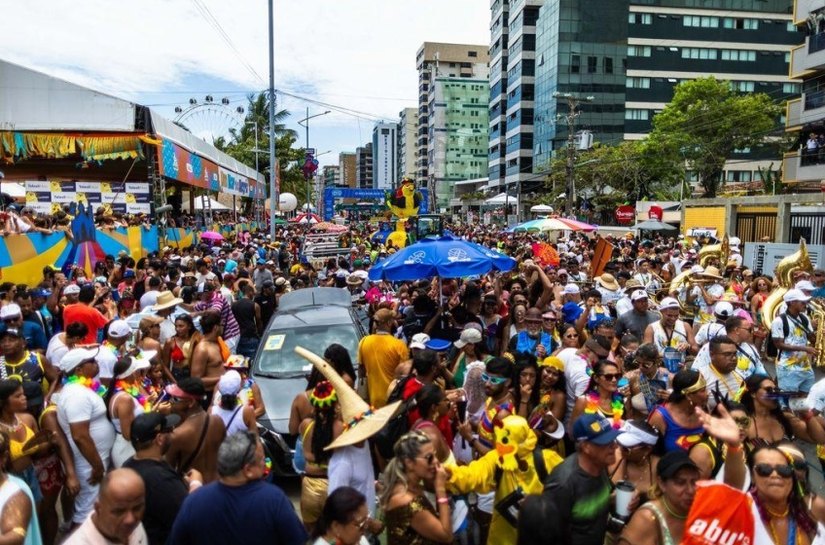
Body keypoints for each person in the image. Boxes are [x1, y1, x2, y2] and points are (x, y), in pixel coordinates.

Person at [167, 431, 308, 545]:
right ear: (248, 470)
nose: (265, 464)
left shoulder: (194, 502)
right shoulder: (274, 500)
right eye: (262, 460)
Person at [447, 415, 563, 545]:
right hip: (503, 538)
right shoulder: (496, 458)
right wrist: (448, 474)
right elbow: (471, 476)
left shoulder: (547, 460)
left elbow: (567, 493)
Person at [518, 413, 620, 545]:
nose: (615, 447)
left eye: (613, 441)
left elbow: (589, 507)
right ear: (586, 447)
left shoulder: (600, 466)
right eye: (606, 443)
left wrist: (613, 500)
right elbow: (549, 536)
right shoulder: (563, 484)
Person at [56, 347, 116, 528]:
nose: (96, 363)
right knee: (87, 514)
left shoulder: (81, 389)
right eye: (91, 361)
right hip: (89, 462)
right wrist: (96, 465)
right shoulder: (76, 395)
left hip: (94, 459)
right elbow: (80, 436)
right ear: (78, 370)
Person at [123, 412, 201, 545]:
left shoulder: (128, 465)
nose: (173, 433)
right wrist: (196, 483)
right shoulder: (160, 480)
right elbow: (191, 516)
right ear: (159, 439)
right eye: (169, 430)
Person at [380, 431, 453, 545]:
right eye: (429, 458)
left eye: (435, 455)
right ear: (409, 463)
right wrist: (440, 489)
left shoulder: (414, 486)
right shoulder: (404, 500)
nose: (436, 461)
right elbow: (446, 536)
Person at [298, 380, 342, 533]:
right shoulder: (340, 427)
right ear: (335, 404)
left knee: (311, 533)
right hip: (332, 484)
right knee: (334, 533)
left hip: (309, 484)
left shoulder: (305, 425)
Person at [165, 378, 226, 484]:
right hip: (218, 486)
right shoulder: (218, 421)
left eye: (175, 399)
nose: (170, 402)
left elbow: (167, 471)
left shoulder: (177, 435)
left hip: (192, 489)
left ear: (191, 402)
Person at [64, 468, 148, 545]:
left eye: (137, 508)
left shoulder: (132, 525)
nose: (130, 520)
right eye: (119, 511)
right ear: (98, 508)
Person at [358, 308, 409, 408]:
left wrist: (363, 395)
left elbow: (361, 371)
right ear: (389, 322)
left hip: (372, 402)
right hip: (393, 403)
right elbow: (404, 375)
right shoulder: (399, 345)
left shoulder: (364, 342)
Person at [107, 355, 153, 468]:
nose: (140, 373)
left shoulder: (127, 392)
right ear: (132, 373)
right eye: (138, 370)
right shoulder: (125, 399)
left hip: (130, 447)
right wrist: (156, 411)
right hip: (127, 449)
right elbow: (128, 434)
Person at [648, 370, 707, 453]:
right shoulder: (660, 417)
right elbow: (651, 453)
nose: (707, 394)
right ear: (689, 395)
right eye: (703, 390)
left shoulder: (703, 410)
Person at [772, 289, 817, 393]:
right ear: (792, 302)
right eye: (802, 302)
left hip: (805, 367)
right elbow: (779, 345)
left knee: (806, 399)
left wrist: (816, 334)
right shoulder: (779, 321)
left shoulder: (805, 318)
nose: (805, 304)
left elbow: (811, 338)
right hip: (788, 368)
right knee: (787, 400)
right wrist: (804, 348)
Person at [189, 311, 226, 402]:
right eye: (221, 325)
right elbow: (196, 380)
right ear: (215, 328)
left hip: (221, 392)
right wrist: (223, 378)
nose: (223, 327)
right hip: (209, 396)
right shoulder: (202, 349)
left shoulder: (217, 342)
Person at [161, 314, 200, 383]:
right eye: (176, 326)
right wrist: (175, 382)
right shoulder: (170, 342)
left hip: (193, 375)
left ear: (189, 326)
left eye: (181, 326)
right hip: (176, 376)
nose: (177, 329)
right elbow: (165, 366)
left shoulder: (195, 340)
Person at [230, 283, 261, 361]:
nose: (253, 294)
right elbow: (259, 322)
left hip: (238, 336)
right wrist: (260, 334)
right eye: (253, 292)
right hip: (251, 336)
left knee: (240, 361)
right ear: (250, 292)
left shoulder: (234, 305)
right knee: (253, 361)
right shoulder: (255, 305)